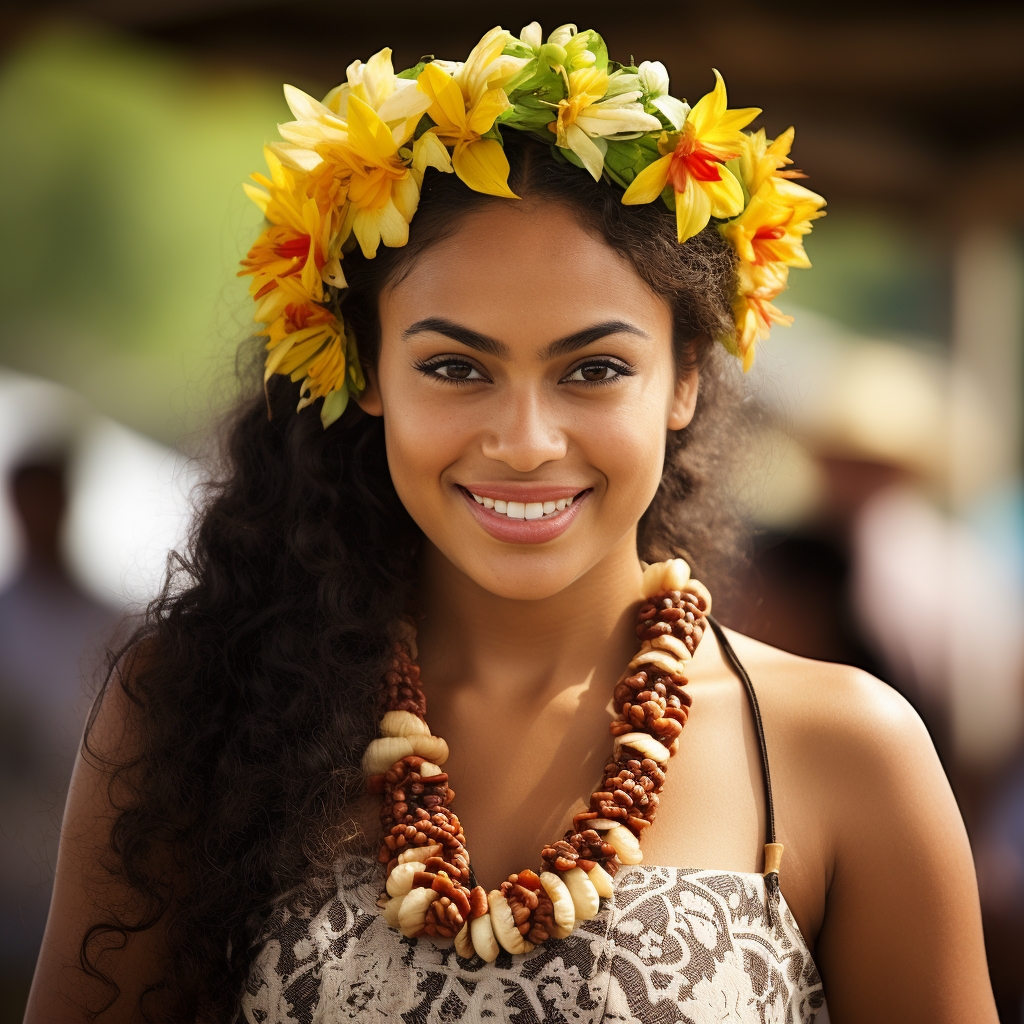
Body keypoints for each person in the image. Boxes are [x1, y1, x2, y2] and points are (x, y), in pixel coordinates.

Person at [26, 24, 996, 1024]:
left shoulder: (846, 754)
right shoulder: (193, 710)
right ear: (365, 371)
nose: (526, 442)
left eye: (594, 369)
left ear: (685, 379)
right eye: (456, 368)